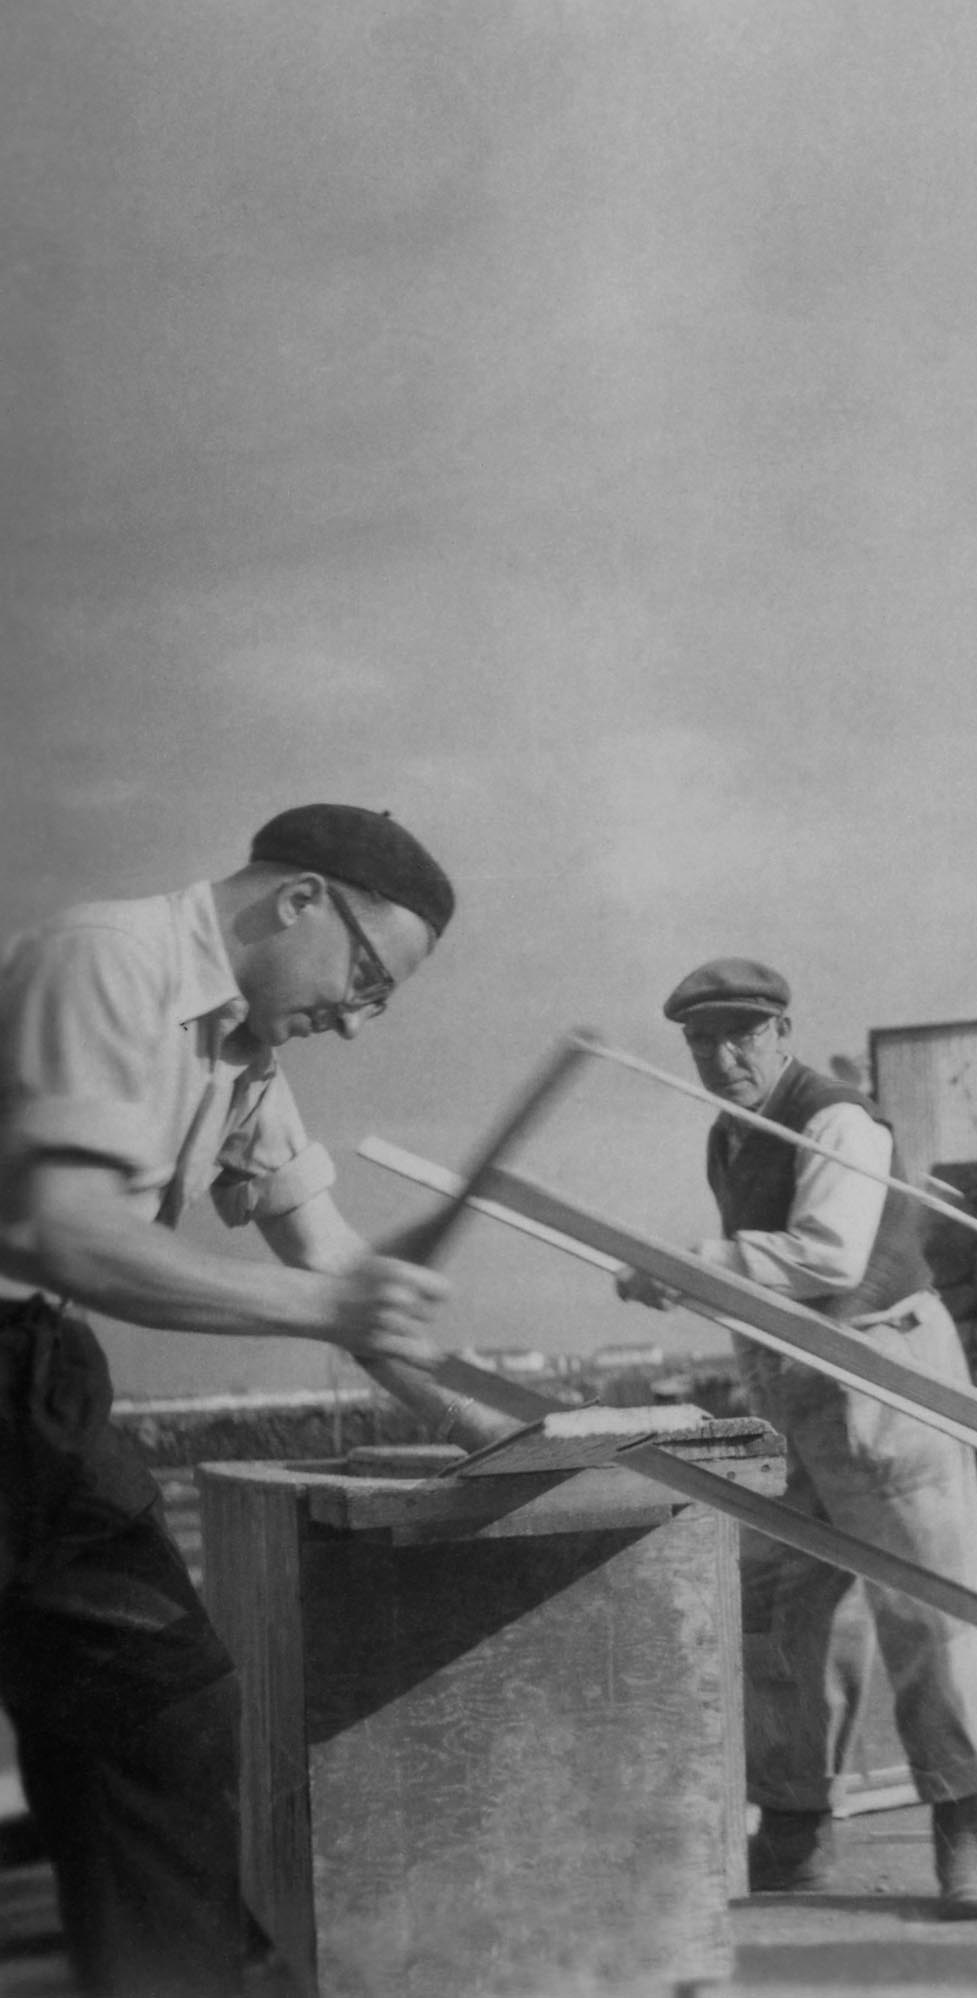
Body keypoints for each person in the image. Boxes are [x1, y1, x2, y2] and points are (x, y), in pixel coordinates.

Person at [0, 804, 458, 1997]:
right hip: (17, 1348)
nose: (356, 1022)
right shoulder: (104, 960)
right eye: (366, 979)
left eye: (380, 1005)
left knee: (160, 1709)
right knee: (143, 1712)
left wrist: (492, 1427)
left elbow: (332, 1264)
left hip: (36, 1384)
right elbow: (62, 1232)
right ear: (299, 899)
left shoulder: (249, 1054)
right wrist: (332, 1316)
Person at [618, 956, 977, 1920]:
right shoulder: (731, 1136)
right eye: (702, 1041)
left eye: (740, 1036)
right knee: (777, 1607)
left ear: (782, 1034)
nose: (720, 1056)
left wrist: (690, 1263)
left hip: (884, 1376)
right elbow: (767, 1277)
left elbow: (830, 1256)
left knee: (926, 1603)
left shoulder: (837, 1119)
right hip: (790, 1383)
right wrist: (687, 1278)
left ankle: (965, 1840)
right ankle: (795, 1830)